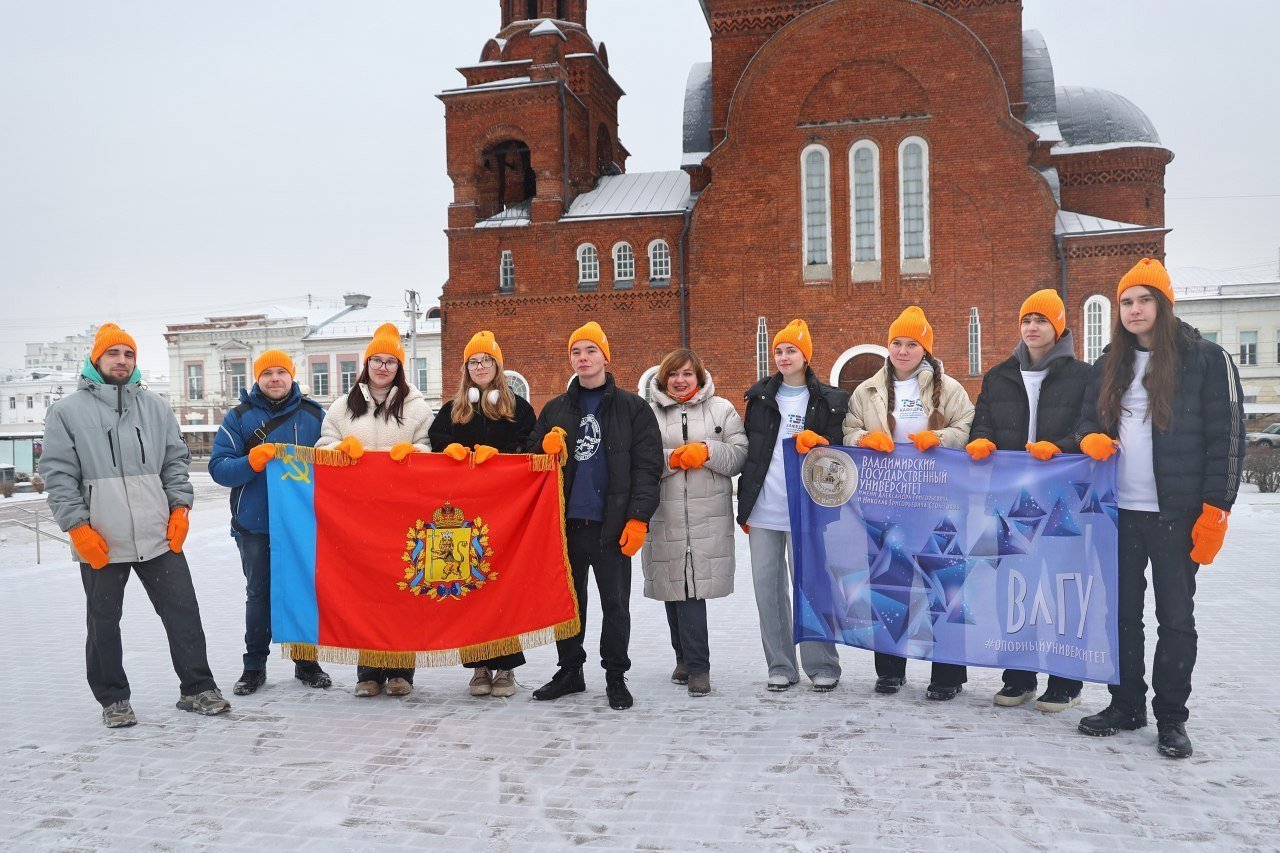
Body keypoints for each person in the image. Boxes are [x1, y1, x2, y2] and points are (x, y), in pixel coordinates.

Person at [1075, 258, 1243, 759]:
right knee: (1122, 616)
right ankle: (1126, 704)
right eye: (1126, 301)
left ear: (1163, 305)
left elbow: (1226, 438)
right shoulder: (1110, 362)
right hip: (1119, 512)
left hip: (1177, 514)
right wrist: (1090, 440)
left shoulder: (1206, 360)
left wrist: (1217, 509)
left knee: (1175, 618)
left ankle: (1171, 717)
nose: (1134, 309)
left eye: (1144, 299)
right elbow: (1088, 421)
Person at [42, 323, 229, 727]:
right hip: (101, 539)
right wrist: (77, 527)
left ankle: (198, 688)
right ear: (96, 359)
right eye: (114, 354)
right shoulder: (66, 412)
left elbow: (175, 462)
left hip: (157, 535)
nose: (122, 361)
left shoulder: (156, 407)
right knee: (103, 621)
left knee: (184, 612)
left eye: (129, 354)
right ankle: (113, 699)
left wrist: (180, 509)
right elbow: (58, 476)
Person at [967, 290, 1092, 712]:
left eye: (1041, 319)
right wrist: (981, 439)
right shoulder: (999, 374)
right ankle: (1018, 676)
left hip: (1062, 502)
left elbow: (1091, 426)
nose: (1032, 327)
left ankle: (1065, 679)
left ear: (1057, 327)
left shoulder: (1082, 375)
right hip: (1010, 502)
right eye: (1026, 320)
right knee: (1014, 588)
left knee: (1060, 588)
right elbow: (981, 419)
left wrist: (1062, 446)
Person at [841, 306, 975, 700]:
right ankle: (890, 669)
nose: (902, 350)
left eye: (911, 344)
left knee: (944, 584)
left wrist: (943, 438)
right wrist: (864, 440)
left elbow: (966, 425)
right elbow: (849, 429)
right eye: (896, 343)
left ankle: (948, 673)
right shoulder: (867, 389)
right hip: (886, 498)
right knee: (889, 581)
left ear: (925, 349)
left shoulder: (949, 389)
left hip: (937, 498)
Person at [529, 322, 662, 710]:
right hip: (567, 526)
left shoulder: (632, 408)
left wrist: (638, 518)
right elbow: (531, 459)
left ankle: (615, 675)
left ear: (606, 356)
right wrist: (542, 445)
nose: (583, 358)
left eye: (590, 350)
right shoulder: (556, 408)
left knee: (615, 605)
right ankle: (571, 670)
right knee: (569, 604)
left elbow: (648, 467)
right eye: (576, 352)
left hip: (613, 526)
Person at [316, 322, 433, 698]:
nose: (383, 368)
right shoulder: (341, 407)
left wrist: (413, 453)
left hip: (403, 515)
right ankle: (368, 671)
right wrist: (339, 450)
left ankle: (401, 671)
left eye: (391, 362)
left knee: (401, 592)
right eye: (376, 361)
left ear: (400, 368)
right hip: (357, 517)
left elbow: (431, 449)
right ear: (366, 365)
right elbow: (323, 447)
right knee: (364, 592)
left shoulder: (416, 407)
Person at [209, 350, 332, 695]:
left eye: (281, 372)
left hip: (303, 524)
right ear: (257, 378)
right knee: (259, 595)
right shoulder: (239, 417)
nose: (274, 378)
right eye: (267, 373)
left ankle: (306, 663)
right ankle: (254, 666)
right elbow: (219, 469)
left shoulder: (314, 415)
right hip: (255, 524)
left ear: (292, 376)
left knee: (303, 592)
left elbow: (334, 461)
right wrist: (251, 461)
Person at [737, 319, 847, 693]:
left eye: (791, 350)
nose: (784, 357)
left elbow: (843, 454)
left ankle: (821, 663)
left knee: (812, 587)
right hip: (765, 510)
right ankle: (781, 664)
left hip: (809, 512)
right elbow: (750, 453)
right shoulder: (759, 398)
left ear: (806, 355)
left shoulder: (830, 400)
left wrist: (823, 443)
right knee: (767, 590)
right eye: (779, 351)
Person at [428, 331, 536, 699]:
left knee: (502, 584)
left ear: (497, 366)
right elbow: (435, 441)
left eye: (485, 360)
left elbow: (530, 447)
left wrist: (504, 455)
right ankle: (478, 666)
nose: (479, 367)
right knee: (471, 585)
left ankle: (506, 666)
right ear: (466, 370)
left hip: (507, 512)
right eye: (473, 362)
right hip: (465, 513)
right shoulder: (452, 409)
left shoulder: (518, 408)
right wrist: (452, 449)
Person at [642, 348, 748, 697]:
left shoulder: (722, 409)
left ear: (699, 377)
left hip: (706, 516)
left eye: (687, 374)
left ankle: (698, 667)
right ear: (663, 379)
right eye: (674, 374)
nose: (680, 380)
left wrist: (708, 451)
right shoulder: (648, 414)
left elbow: (739, 455)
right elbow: (638, 461)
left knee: (691, 591)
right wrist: (672, 458)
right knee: (674, 588)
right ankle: (684, 659)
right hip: (665, 512)